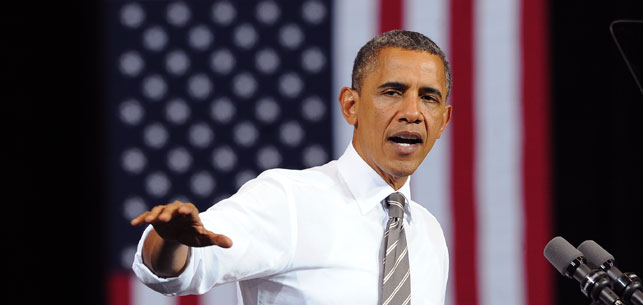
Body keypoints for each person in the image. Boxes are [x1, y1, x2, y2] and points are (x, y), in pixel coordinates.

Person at [131, 29, 453, 305]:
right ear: (351, 106)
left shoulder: (428, 234)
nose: (412, 112)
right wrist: (169, 240)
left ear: (442, 122)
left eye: (429, 97)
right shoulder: (289, 200)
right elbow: (185, 267)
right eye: (393, 92)